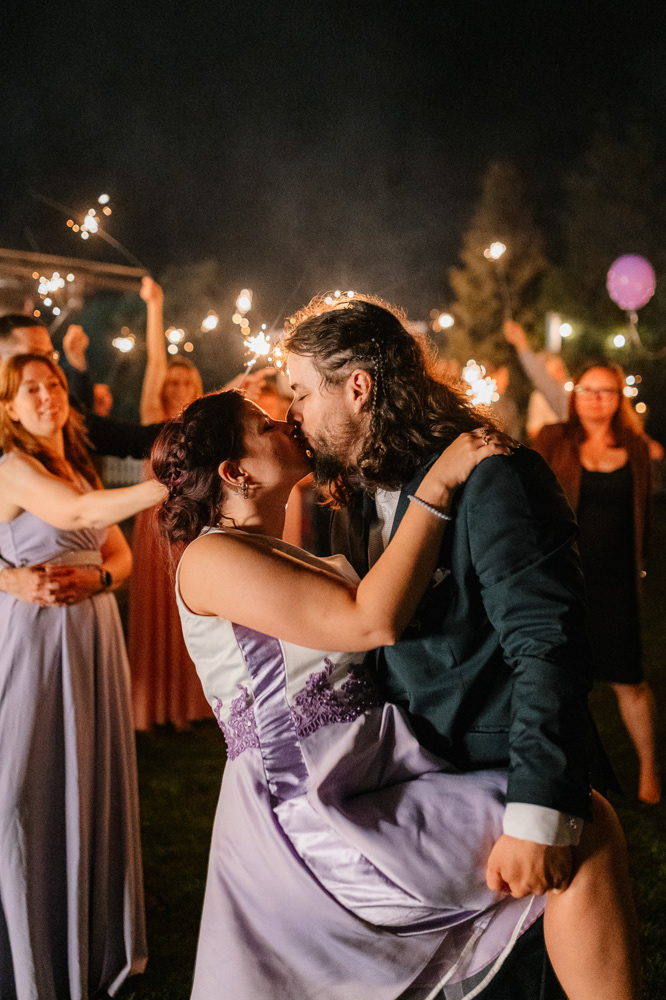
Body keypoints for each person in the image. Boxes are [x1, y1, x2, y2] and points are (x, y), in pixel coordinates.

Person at [152, 388, 639, 1000]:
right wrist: (440, 482)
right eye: (264, 425)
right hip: (314, 813)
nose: (286, 422)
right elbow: (370, 620)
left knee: (571, 826)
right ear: (235, 473)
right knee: (582, 824)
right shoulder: (209, 557)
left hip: (371, 779)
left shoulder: (268, 548)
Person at [281, 293, 631, 1000]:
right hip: (427, 795)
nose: (294, 414)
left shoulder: (494, 475)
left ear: (358, 387)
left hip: (501, 785)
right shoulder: (363, 488)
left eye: (301, 392)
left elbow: (548, 644)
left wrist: (537, 818)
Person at [0, 353, 166, 998]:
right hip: (35, 640)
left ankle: (85, 940)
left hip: (92, 636)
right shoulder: (13, 468)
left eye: (54, 385)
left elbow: (117, 553)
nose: (47, 396)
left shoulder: (73, 465)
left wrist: (98, 577)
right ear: (9, 407)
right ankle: (25, 954)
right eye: (31, 389)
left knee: (86, 778)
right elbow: (74, 516)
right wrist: (170, 482)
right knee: (23, 789)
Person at [534, 362, 661, 806]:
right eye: (587, 389)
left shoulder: (637, 448)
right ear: (575, 395)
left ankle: (649, 768)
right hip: (563, 580)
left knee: (629, 680)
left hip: (617, 584)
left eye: (606, 390)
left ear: (619, 398)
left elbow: (645, 512)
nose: (596, 399)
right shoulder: (553, 439)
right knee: (561, 680)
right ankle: (569, 773)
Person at [128, 277, 210, 729]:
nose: (176, 385)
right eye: (171, 380)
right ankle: (156, 706)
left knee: (189, 615)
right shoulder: (152, 422)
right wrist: (155, 308)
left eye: (185, 380)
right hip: (155, 527)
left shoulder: (202, 430)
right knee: (155, 613)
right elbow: (154, 362)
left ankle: (188, 706)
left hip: (191, 529)